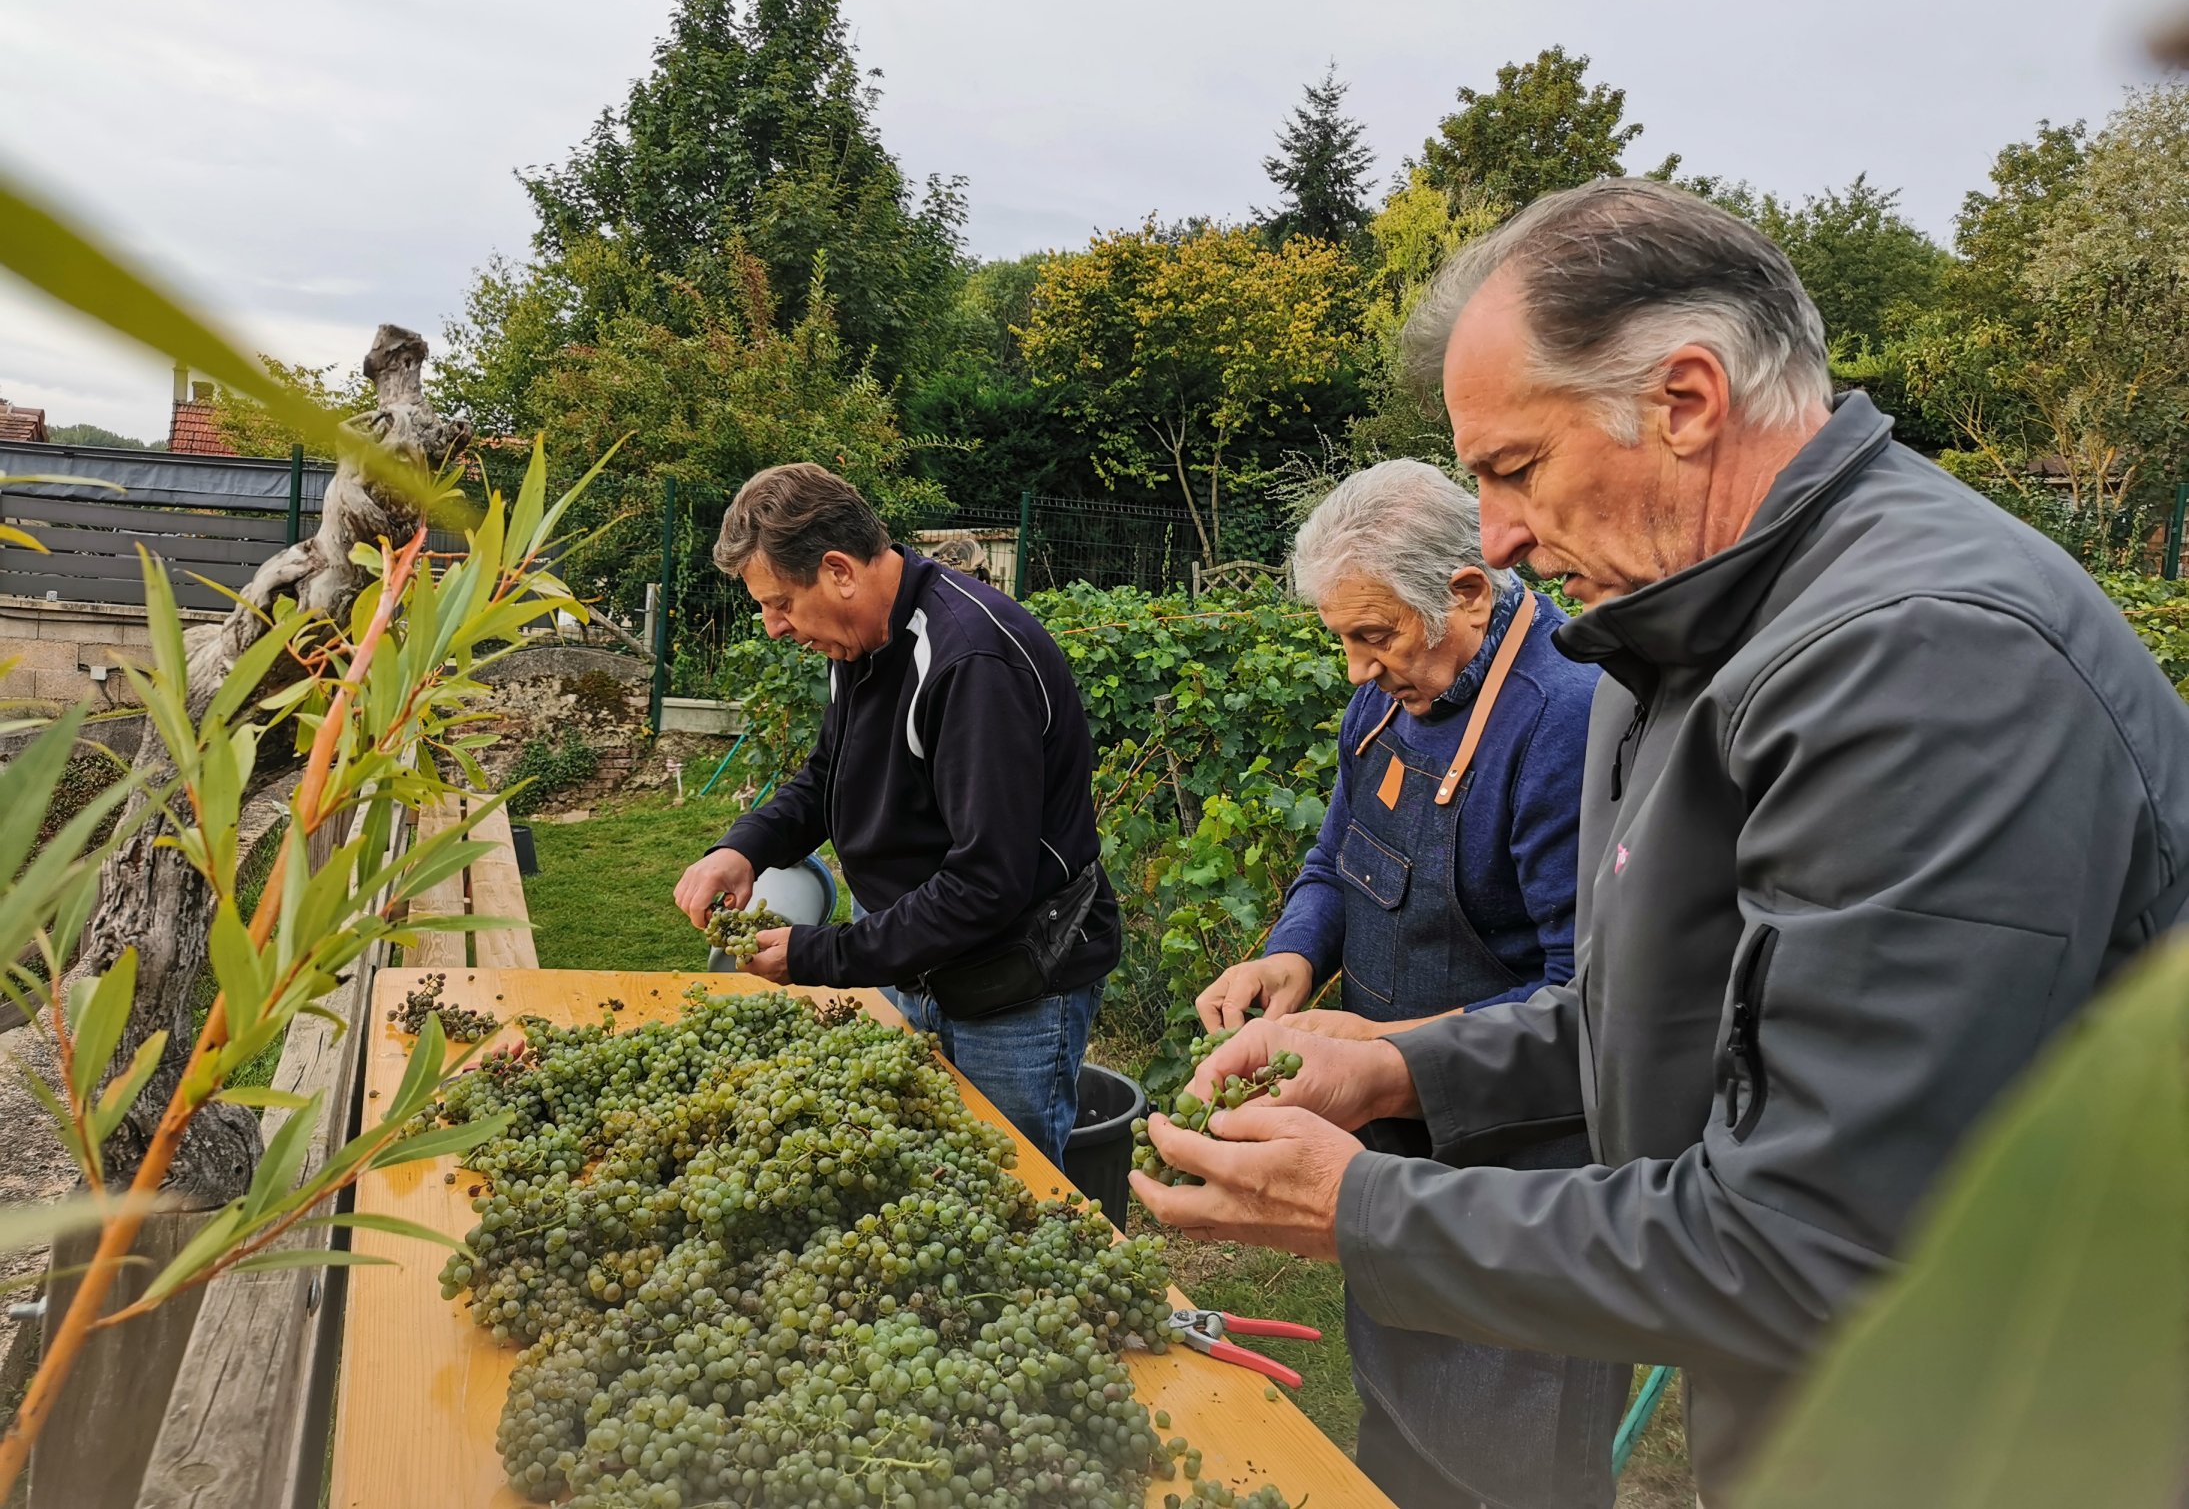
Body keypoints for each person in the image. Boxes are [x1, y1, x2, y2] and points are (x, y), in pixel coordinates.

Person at [1130, 179, 2189, 1500]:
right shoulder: (1696, 627)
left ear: (1685, 402)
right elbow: (1656, 1016)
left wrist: (1360, 1206)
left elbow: (1815, 1240)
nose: (1499, 536)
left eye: (1514, 468)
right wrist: (1394, 1070)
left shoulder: (1922, 660)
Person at [1193, 459, 1625, 1509]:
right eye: (1342, 638)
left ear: (1467, 593)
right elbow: (1335, 859)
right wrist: (1293, 953)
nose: (1354, 669)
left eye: (1374, 635)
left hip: (1519, 1188)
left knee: (1505, 1461)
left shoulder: (1566, 721)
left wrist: (1380, 1053)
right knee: (1397, 1423)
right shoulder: (1387, 704)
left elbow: (1588, 1005)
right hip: (1389, 1142)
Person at [673, 463, 1120, 1165]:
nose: (772, 627)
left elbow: (986, 884)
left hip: (1012, 985)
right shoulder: (864, 640)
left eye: (780, 603)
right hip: (912, 961)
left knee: (1005, 1190)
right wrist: (744, 847)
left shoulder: (971, 663)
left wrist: (821, 954)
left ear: (838, 571)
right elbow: (831, 774)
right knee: (917, 1173)